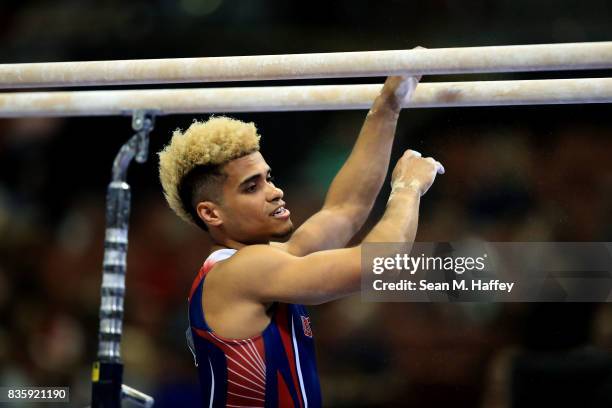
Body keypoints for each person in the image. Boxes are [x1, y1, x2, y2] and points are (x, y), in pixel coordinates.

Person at [158, 74, 444, 407]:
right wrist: (408, 189)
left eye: (268, 178)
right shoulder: (243, 272)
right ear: (211, 214)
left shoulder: (268, 264)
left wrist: (387, 108)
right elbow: (381, 263)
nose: (275, 191)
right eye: (252, 187)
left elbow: (344, 210)